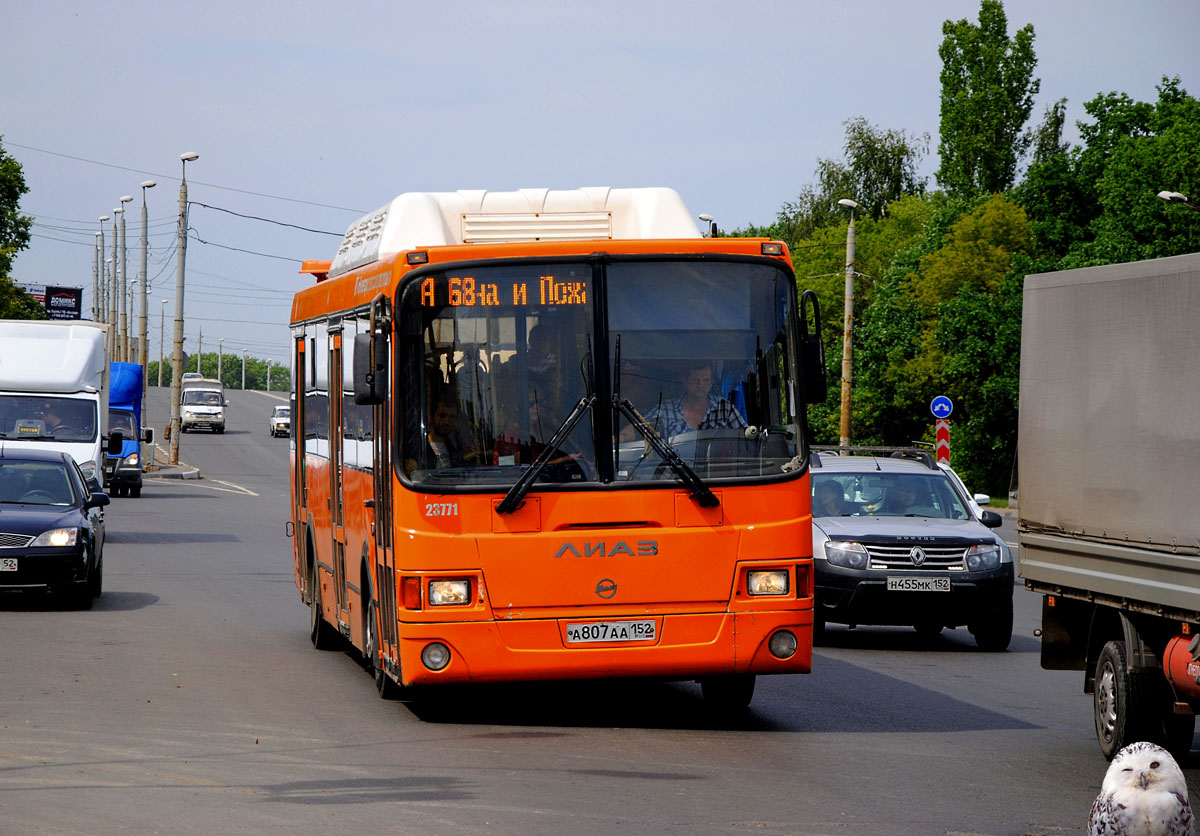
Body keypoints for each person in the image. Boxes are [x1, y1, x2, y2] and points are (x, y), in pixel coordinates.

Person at [639, 362, 746, 439]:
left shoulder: (724, 408)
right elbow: (639, 428)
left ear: (712, 382)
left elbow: (746, 437)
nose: (700, 385)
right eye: (695, 380)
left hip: (716, 470)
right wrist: (622, 437)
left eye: (705, 380)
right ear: (685, 381)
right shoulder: (666, 409)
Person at [421, 396, 466, 469]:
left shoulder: (453, 449)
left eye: (451, 417)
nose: (446, 422)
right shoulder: (421, 449)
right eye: (442, 416)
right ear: (431, 417)